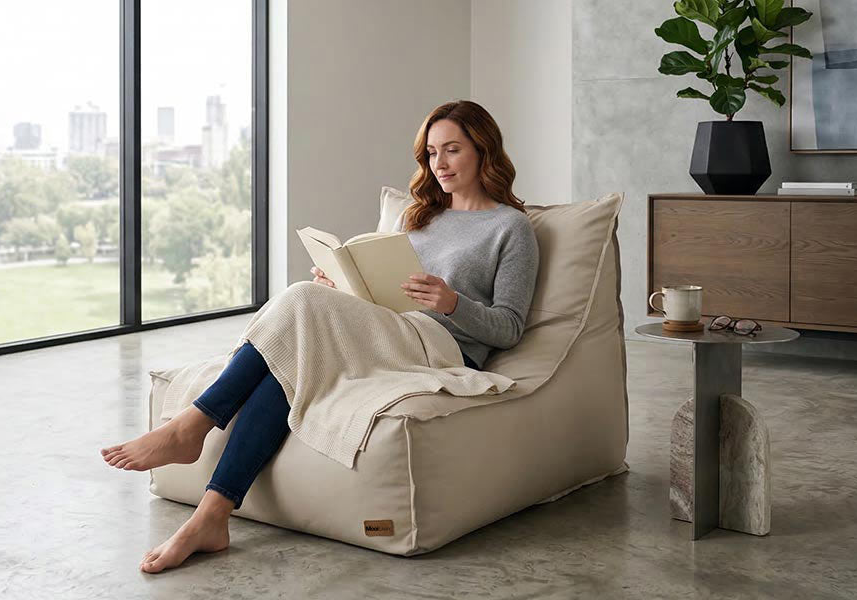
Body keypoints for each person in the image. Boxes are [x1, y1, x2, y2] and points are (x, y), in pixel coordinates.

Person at [99, 99, 539, 573]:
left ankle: (193, 425)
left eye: (452, 150)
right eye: (431, 153)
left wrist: (452, 302)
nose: (440, 164)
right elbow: (381, 291)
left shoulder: (510, 228)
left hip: (441, 348)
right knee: (288, 363)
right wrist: (344, 288)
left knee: (301, 298)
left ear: (483, 149)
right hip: (386, 329)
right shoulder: (419, 216)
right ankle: (212, 516)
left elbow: (509, 328)